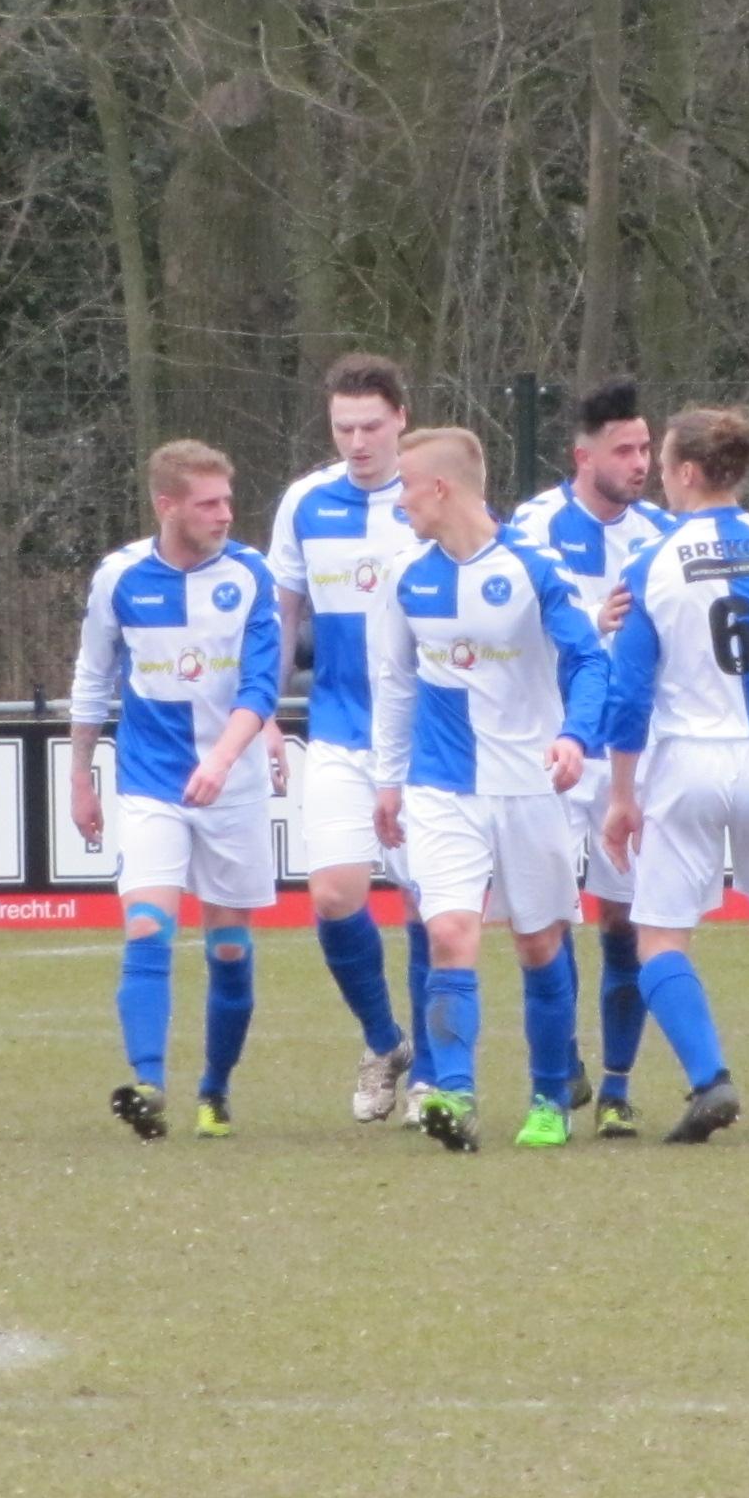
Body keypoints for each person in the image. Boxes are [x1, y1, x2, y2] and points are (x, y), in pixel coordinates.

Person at [599, 408, 749, 1142]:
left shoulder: (650, 565)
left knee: (660, 937)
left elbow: (628, 697)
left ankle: (710, 1079)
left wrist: (621, 794)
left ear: (687, 472)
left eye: (664, 466)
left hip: (686, 760)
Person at [370, 427, 611, 1149]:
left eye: (406, 486)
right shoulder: (405, 577)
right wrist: (387, 781)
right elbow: (395, 685)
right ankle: (454, 1095)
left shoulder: (534, 568)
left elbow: (589, 661)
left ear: (441, 488)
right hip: (441, 785)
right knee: (448, 931)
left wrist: (575, 736)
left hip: (530, 785)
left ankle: (549, 1097)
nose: (399, 502)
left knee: (539, 945)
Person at [71, 441, 282, 1139]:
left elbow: (261, 685)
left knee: (229, 948)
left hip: (233, 785)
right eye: (208, 503)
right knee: (147, 925)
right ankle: (148, 1083)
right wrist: (79, 776)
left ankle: (214, 1090)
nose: (225, 514)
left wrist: (222, 759)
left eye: (228, 500)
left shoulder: (249, 575)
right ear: (167, 506)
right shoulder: (120, 577)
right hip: (150, 782)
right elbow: (92, 677)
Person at [268, 355, 432, 1121]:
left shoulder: (431, 493)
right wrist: (264, 715)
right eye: (343, 429)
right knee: (335, 895)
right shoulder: (305, 502)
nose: (358, 442)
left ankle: (434, 1072)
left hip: (427, 737)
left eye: (370, 426)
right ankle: (385, 1041)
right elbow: (282, 617)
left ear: (401, 419)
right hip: (338, 727)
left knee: (431, 904)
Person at [507, 379, 671, 1137]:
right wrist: (591, 623)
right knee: (547, 916)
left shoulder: (662, 534)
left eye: (645, 448)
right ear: (583, 456)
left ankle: (616, 1086)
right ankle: (563, 1061)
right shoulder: (533, 526)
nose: (639, 462)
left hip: (628, 755)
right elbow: (517, 630)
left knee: (624, 918)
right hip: (557, 747)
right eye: (624, 450)